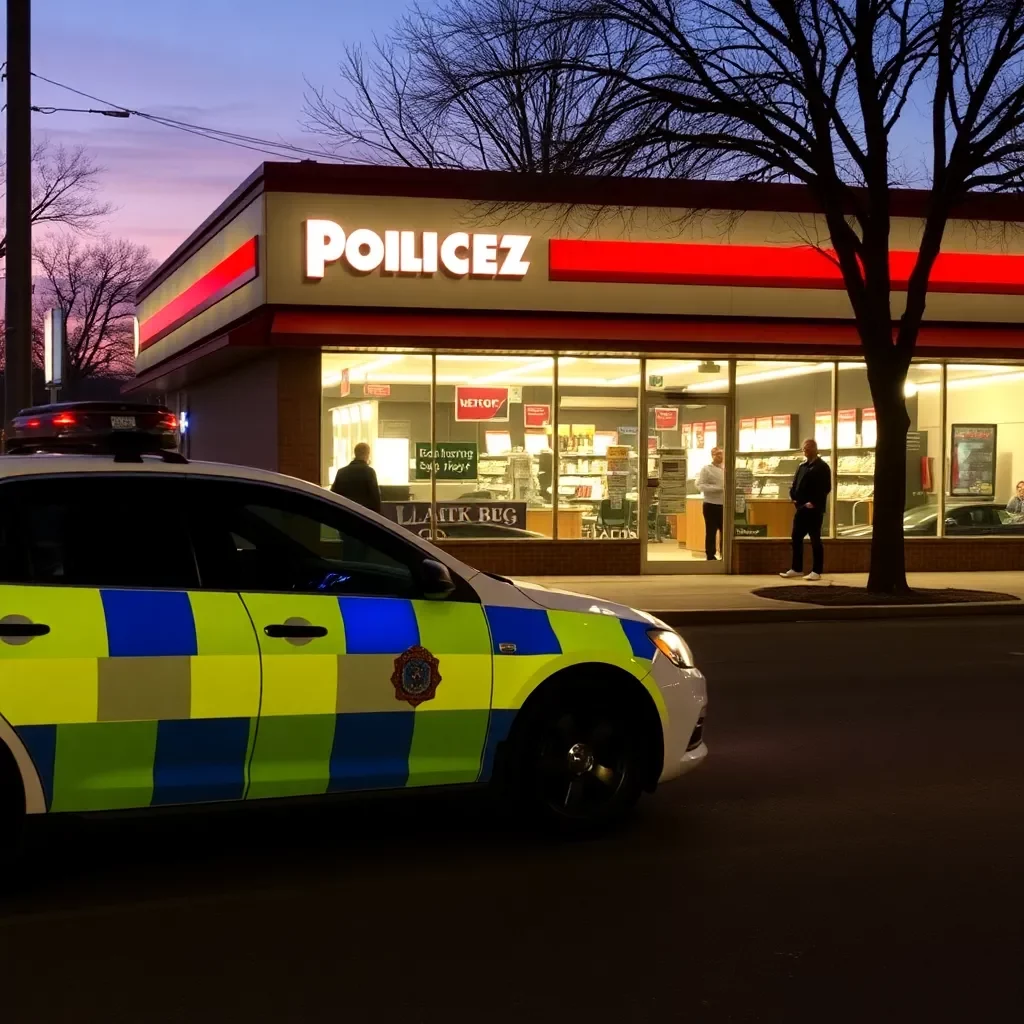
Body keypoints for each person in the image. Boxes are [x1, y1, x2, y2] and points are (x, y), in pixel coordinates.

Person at [780, 438, 831, 581]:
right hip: (801, 508)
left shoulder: (822, 467)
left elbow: (825, 488)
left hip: (814, 510)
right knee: (796, 537)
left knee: (815, 539)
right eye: (804, 448)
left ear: (815, 449)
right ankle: (796, 568)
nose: (805, 450)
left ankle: (817, 570)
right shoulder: (802, 466)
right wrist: (794, 497)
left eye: (808, 448)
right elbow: (795, 484)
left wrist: (813, 503)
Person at [331, 442, 382, 513]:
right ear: (367, 454)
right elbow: (375, 499)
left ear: (355, 453)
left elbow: (333, 495)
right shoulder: (369, 472)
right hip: (363, 516)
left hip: (344, 514)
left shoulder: (341, 472)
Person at [696, 446, 725, 560]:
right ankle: (710, 555)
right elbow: (700, 485)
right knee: (711, 531)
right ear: (712, 456)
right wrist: (717, 488)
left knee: (725, 531)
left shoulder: (726, 468)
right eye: (717, 454)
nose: (720, 456)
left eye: (722, 454)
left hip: (724, 505)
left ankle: (724, 554)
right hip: (711, 504)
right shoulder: (706, 469)